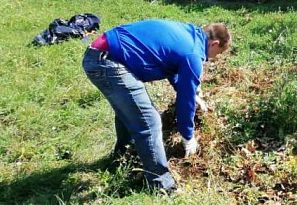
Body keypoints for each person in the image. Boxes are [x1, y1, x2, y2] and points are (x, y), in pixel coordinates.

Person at [82, 20, 231, 192]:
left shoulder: (188, 33)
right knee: (149, 121)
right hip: (108, 61)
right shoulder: (193, 54)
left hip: (101, 53)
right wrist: (188, 136)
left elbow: (171, 65)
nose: (212, 59)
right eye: (217, 54)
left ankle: (123, 158)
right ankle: (161, 184)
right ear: (214, 43)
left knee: (131, 110)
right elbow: (185, 101)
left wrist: (192, 93)